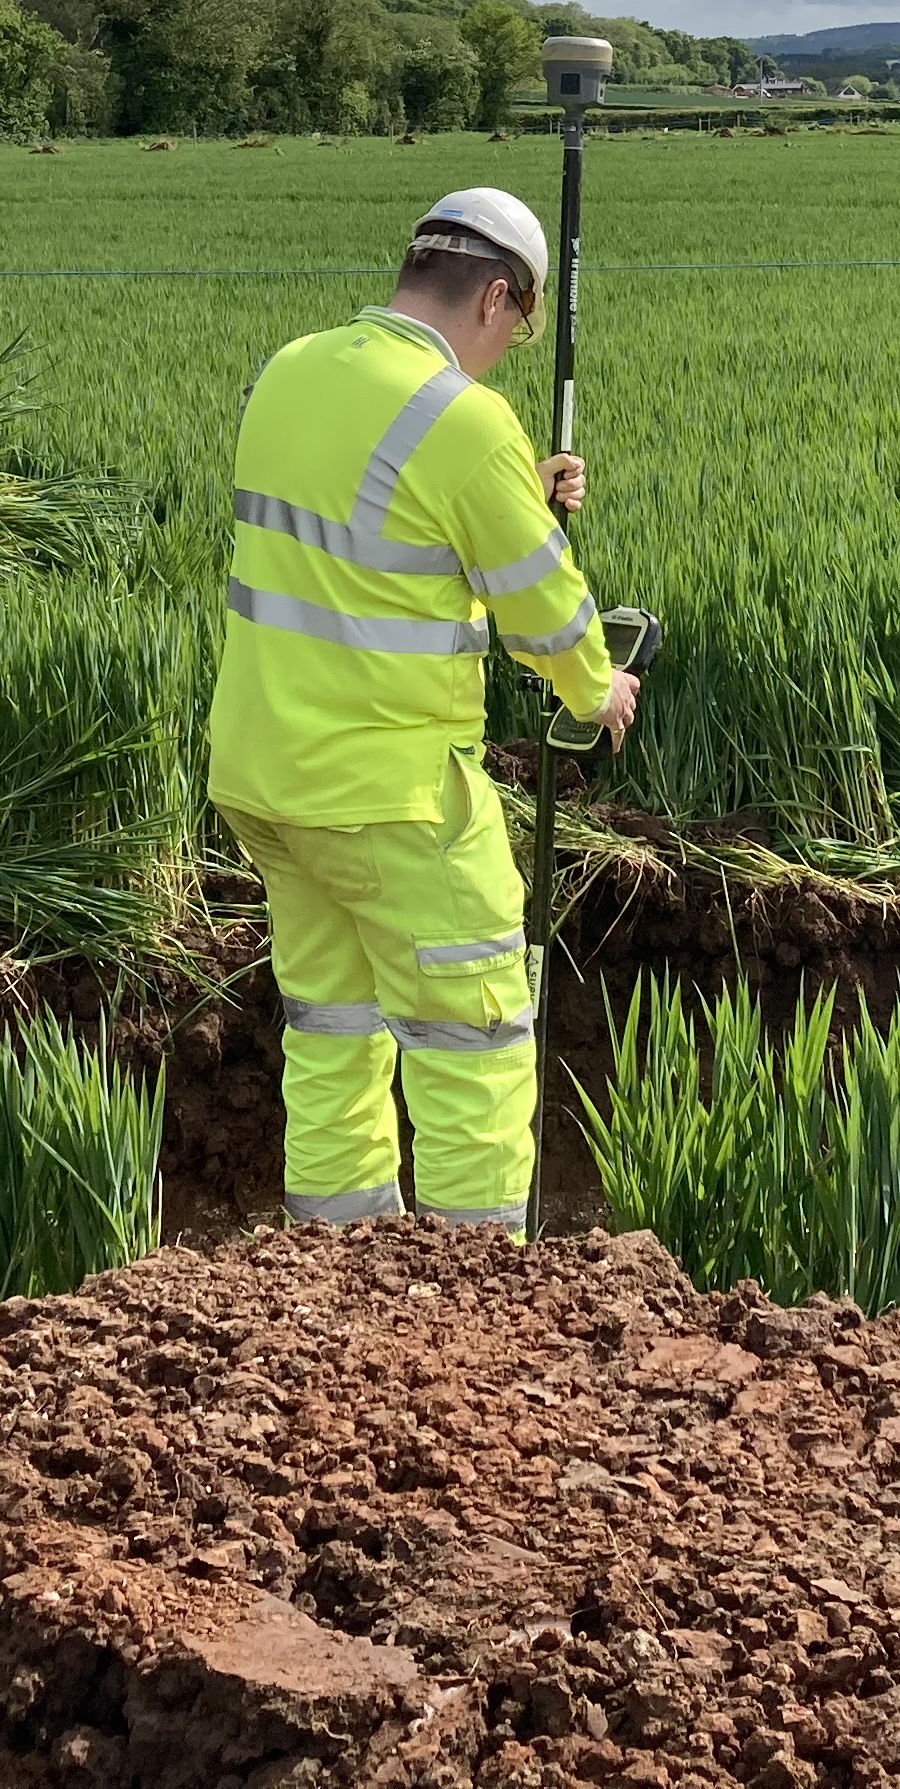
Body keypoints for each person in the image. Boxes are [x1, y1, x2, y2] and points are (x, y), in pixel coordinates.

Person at [207, 186, 642, 1235]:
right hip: (393, 799)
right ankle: (470, 1308)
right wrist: (599, 686)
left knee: (333, 1031)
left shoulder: (293, 369)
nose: (506, 354)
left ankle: (336, 1270)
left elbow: (367, 540)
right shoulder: (461, 419)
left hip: (269, 782)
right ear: (496, 295)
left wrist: (510, 489)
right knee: (472, 1043)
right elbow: (543, 610)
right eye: (516, 330)